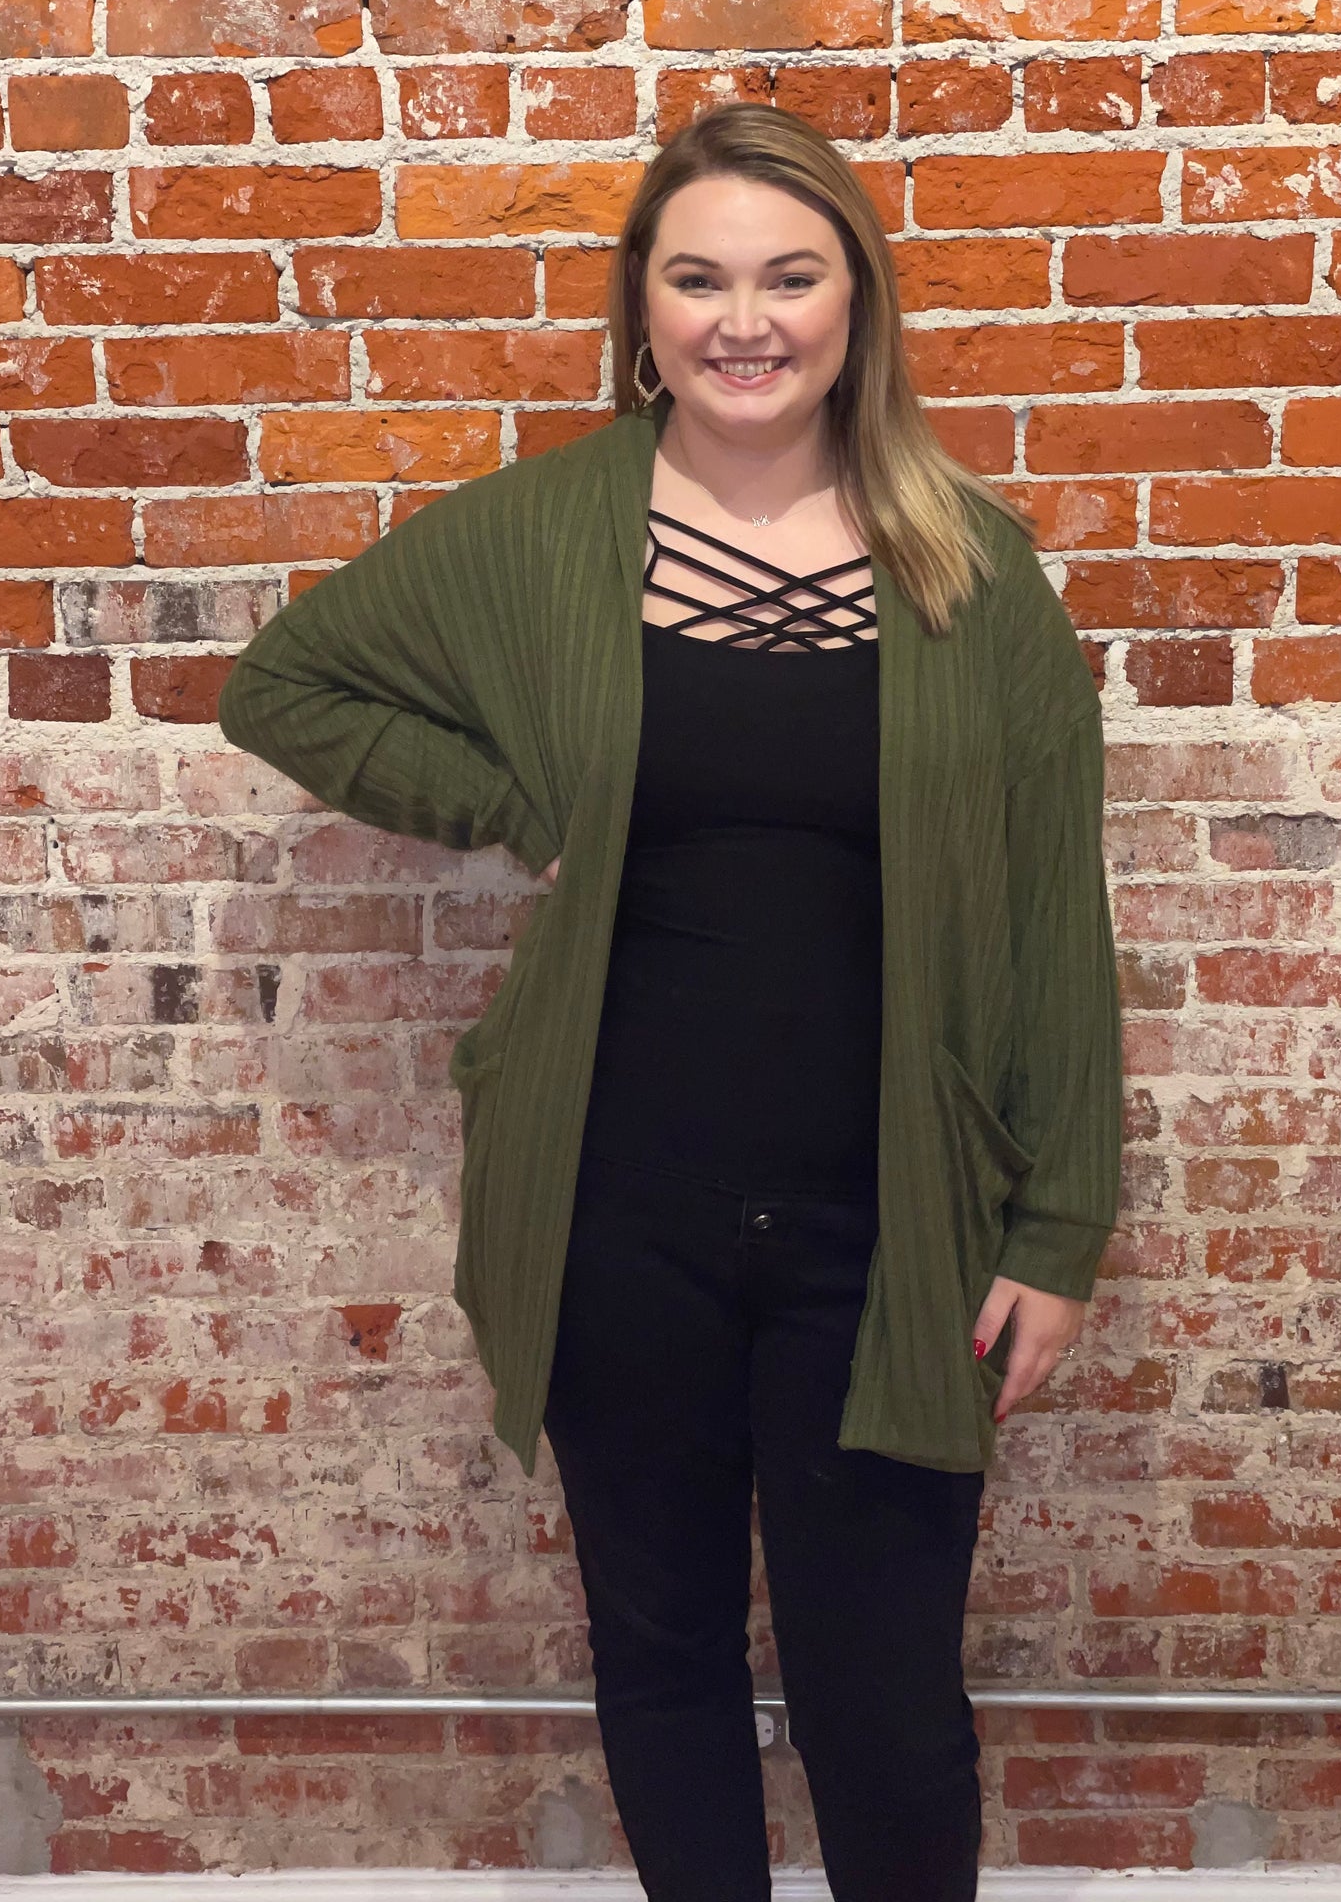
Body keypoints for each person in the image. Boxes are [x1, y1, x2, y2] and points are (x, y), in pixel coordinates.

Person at [218, 102, 1123, 1902]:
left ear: (857, 302)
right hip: (615, 1212)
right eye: (699, 279)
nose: (746, 321)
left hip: (890, 1225)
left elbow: (1052, 916)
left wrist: (1060, 1227)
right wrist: (513, 803)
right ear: (642, 305)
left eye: (792, 276)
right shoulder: (550, 532)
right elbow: (285, 685)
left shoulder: (973, 568)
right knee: (661, 1655)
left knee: (887, 1696)